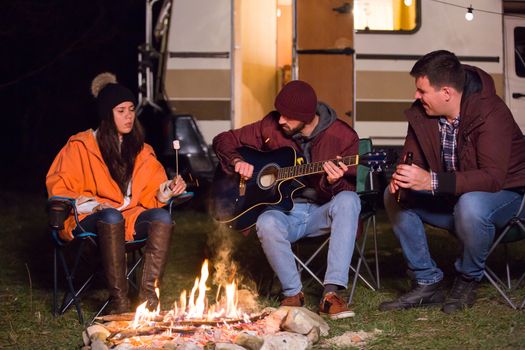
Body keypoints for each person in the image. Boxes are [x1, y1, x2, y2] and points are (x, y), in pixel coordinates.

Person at [380, 50, 525, 314]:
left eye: (422, 91)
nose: (416, 96)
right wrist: (404, 176)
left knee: (471, 204)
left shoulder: (491, 113)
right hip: (453, 195)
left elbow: (492, 178)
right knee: (394, 197)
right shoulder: (422, 113)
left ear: (446, 92)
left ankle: (468, 279)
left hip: (508, 196)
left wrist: (432, 182)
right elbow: (413, 158)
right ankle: (427, 281)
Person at [213, 80, 361, 319]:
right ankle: (293, 293)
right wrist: (236, 161)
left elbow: (350, 188)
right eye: (280, 114)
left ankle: (330, 294)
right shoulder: (271, 126)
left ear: (307, 115)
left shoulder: (342, 136)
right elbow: (223, 139)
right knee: (266, 222)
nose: (280, 120)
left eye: (288, 116)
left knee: (348, 200)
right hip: (286, 213)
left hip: (321, 211)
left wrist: (333, 182)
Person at [46, 73, 187, 313]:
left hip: (130, 218)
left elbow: (151, 194)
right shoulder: (81, 147)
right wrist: (94, 205)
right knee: (111, 215)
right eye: (121, 110)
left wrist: (168, 190)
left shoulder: (142, 150)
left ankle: (148, 303)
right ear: (107, 115)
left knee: (162, 218)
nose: (129, 116)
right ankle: (119, 303)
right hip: (89, 219)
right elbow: (59, 188)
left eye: (131, 109)